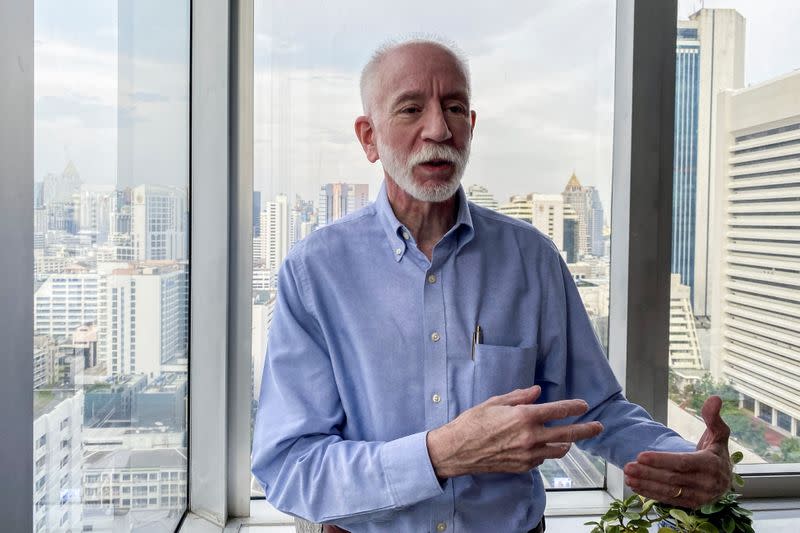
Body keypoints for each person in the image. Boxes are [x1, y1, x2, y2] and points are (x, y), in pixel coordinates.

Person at [251, 37, 732, 533]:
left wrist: (688, 458)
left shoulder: (531, 259)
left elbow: (595, 408)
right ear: (369, 138)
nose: (438, 128)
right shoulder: (316, 272)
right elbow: (290, 468)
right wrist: (439, 454)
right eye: (411, 108)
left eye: (454, 107)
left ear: (471, 127)